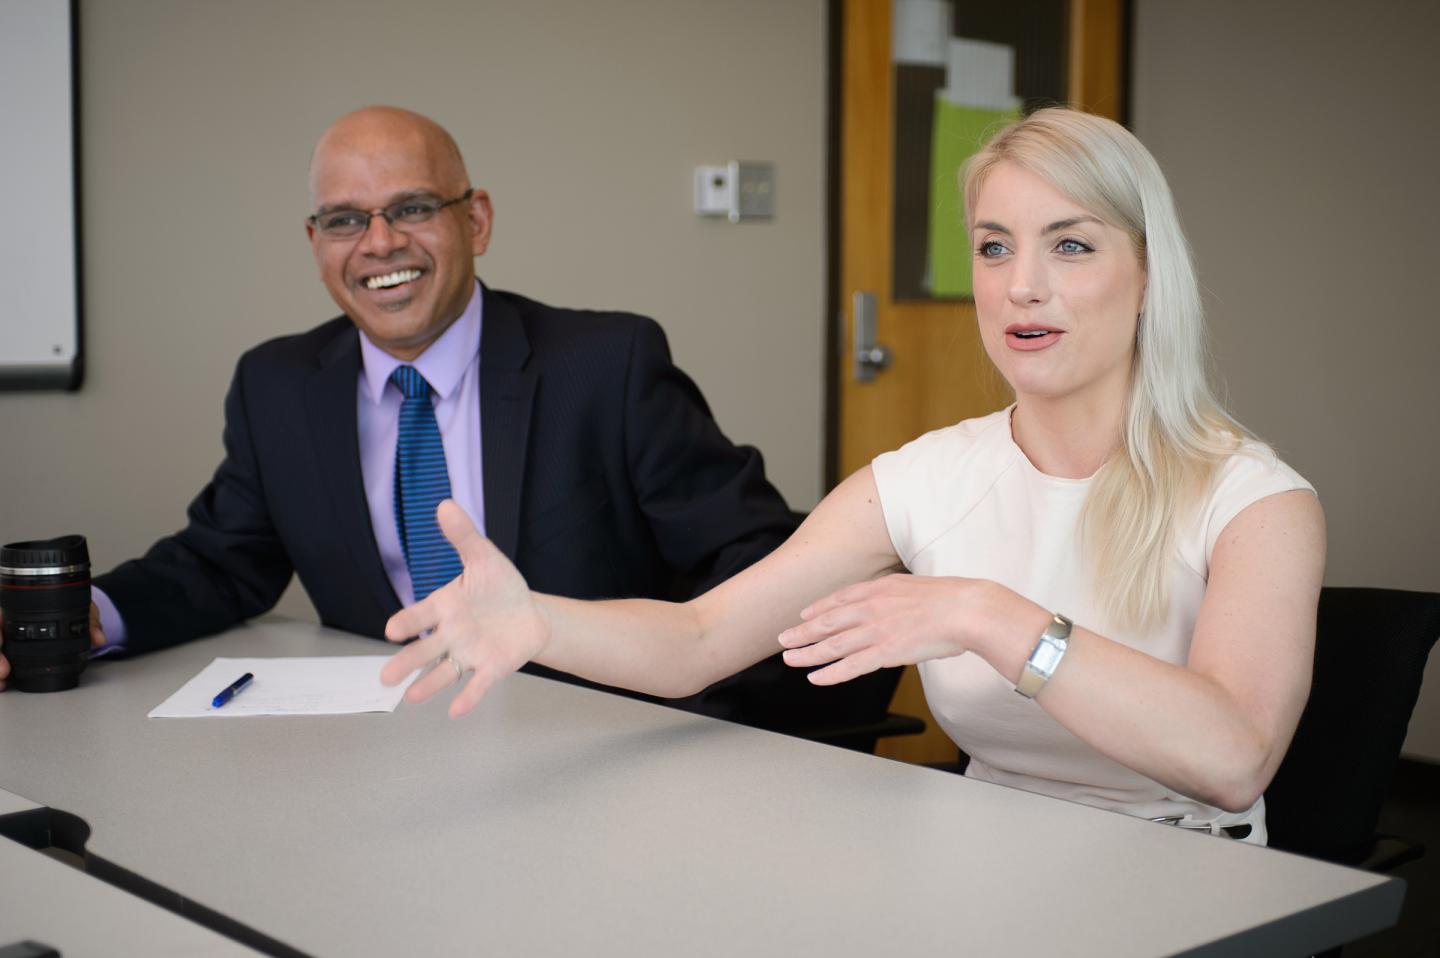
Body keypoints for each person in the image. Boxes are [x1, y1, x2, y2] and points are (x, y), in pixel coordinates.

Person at [380, 108, 1325, 845]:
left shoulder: (1255, 501)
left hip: (1186, 875)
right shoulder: (924, 478)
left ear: (1151, 272)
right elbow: (700, 638)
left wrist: (987, 616)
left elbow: (1234, 759)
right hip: (983, 858)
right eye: (995, 246)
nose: (1021, 285)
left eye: (1070, 244)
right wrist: (543, 621)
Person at [0, 106, 894, 732]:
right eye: (346, 219)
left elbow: (759, 565)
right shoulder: (278, 386)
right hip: (396, 745)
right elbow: (221, 558)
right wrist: (87, 615)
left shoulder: (607, 367)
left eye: (413, 208)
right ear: (315, 246)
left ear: (478, 220)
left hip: (595, 739)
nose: (380, 242)